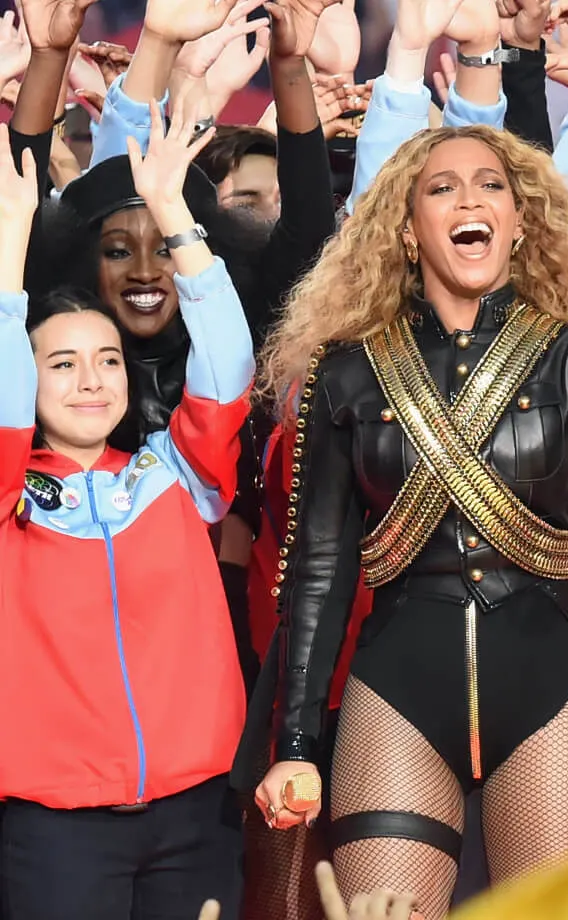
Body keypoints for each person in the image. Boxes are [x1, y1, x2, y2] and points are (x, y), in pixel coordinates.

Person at [248, 123, 568, 917]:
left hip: (552, 689)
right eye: (442, 187)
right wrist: (294, 747)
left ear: (520, 219)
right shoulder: (347, 367)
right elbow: (318, 567)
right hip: (397, 695)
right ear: (408, 226)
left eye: (491, 184)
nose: (470, 199)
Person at [0, 104, 251, 920]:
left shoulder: (172, 475)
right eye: (61, 363)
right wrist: (10, 254)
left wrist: (176, 214)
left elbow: (226, 369)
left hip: (198, 814)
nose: (91, 379)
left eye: (107, 359)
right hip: (55, 832)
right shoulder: (8, 498)